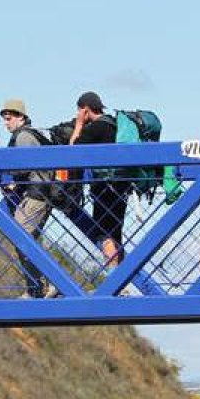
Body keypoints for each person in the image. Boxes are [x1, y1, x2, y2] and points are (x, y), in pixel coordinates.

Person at [0, 99, 58, 298]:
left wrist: (9, 174)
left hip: (37, 195)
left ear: (20, 117)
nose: (6, 123)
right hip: (37, 193)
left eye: (8, 119)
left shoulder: (23, 136)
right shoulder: (29, 135)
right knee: (27, 239)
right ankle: (39, 286)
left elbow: (25, 166)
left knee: (22, 236)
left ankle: (45, 285)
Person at [70, 91, 129, 267]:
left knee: (104, 234)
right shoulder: (113, 125)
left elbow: (72, 151)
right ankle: (121, 283)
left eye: (79, 110)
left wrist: (79, 125)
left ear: (85, 110)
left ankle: (114, 283)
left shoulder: (95, 128)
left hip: (104, 188)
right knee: (115, 234)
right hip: (121, 186)